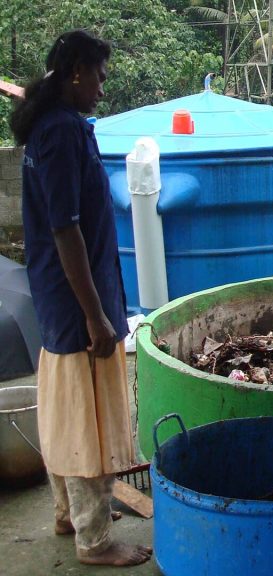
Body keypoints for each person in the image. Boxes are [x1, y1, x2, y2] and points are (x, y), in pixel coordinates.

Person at [11, 30, 152, 567]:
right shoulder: (63, 133)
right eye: (98, 73)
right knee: (87, 419)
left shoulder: (51, 128)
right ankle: (95, 539)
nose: (102, 84)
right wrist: (96, 316)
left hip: (59, 294)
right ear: (74, 72)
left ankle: (70, 513)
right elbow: (66, 228)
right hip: (76, 302)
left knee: (67, 410)